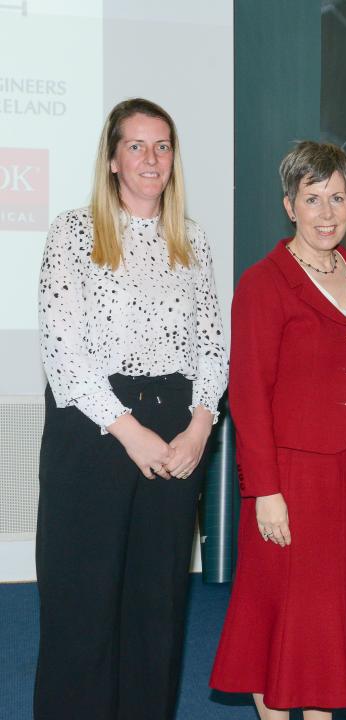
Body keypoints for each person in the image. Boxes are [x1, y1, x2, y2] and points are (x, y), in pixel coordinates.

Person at [34, 97, 227, 719]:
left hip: (178, 432)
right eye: (137, 146)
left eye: (162, 146)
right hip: (93, 430)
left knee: (157, 610)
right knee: (82, 608)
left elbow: (213, 345)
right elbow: (62, 349)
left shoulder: (192, 240)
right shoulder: (74, 230)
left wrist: (201, 426)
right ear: (113, 159)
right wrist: (131, 433)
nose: (151, 158)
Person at [209, 142, 346, 719]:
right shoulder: (264, 283)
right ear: (290, 205)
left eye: (336, 197)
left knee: (327, 626)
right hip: (290, 479)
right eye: (312, 198)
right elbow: (247, 396)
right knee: (281, 618)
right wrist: (265, 490)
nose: (326, 211)